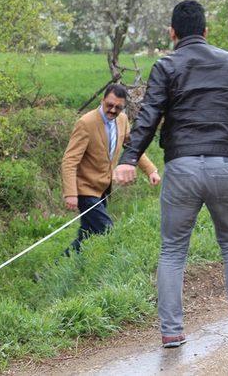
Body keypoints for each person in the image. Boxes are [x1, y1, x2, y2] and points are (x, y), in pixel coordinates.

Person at [113, 0, 228, 347]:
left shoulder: (166, 65)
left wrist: (128, 159)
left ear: (172, 33)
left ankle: (172, 331)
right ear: (206, 32)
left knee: (173, 250)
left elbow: (149, 116)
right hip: (226, 165)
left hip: (182, 167)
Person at [61, 84, 161, 256]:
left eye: (118, 107)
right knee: (107, 230)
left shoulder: (122, 120)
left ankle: (59, 268)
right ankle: (121, 265)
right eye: (110, 105)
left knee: (88, 233)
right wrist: (71, 193)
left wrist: (151, 170)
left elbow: (132, 147)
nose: (113, 110)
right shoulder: (86, 123)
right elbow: (69, 161)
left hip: (103, 189)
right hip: (86, 190)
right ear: (102, 101)